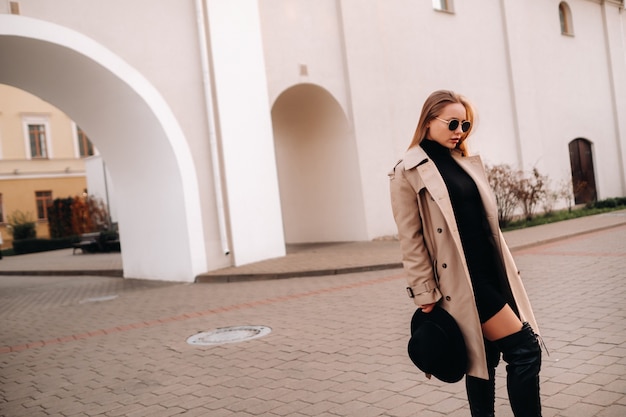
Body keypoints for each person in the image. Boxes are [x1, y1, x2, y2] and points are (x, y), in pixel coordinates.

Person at [389, 90, 543, 417]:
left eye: (466, 124)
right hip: (464, 281)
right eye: (453, 123)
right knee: (525, 351)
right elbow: (410, 237)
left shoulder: (463, 161)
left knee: (484, 359)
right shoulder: (409, 170)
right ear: (428, 121)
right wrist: (424, 292)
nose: (460, 130)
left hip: (492, 273)